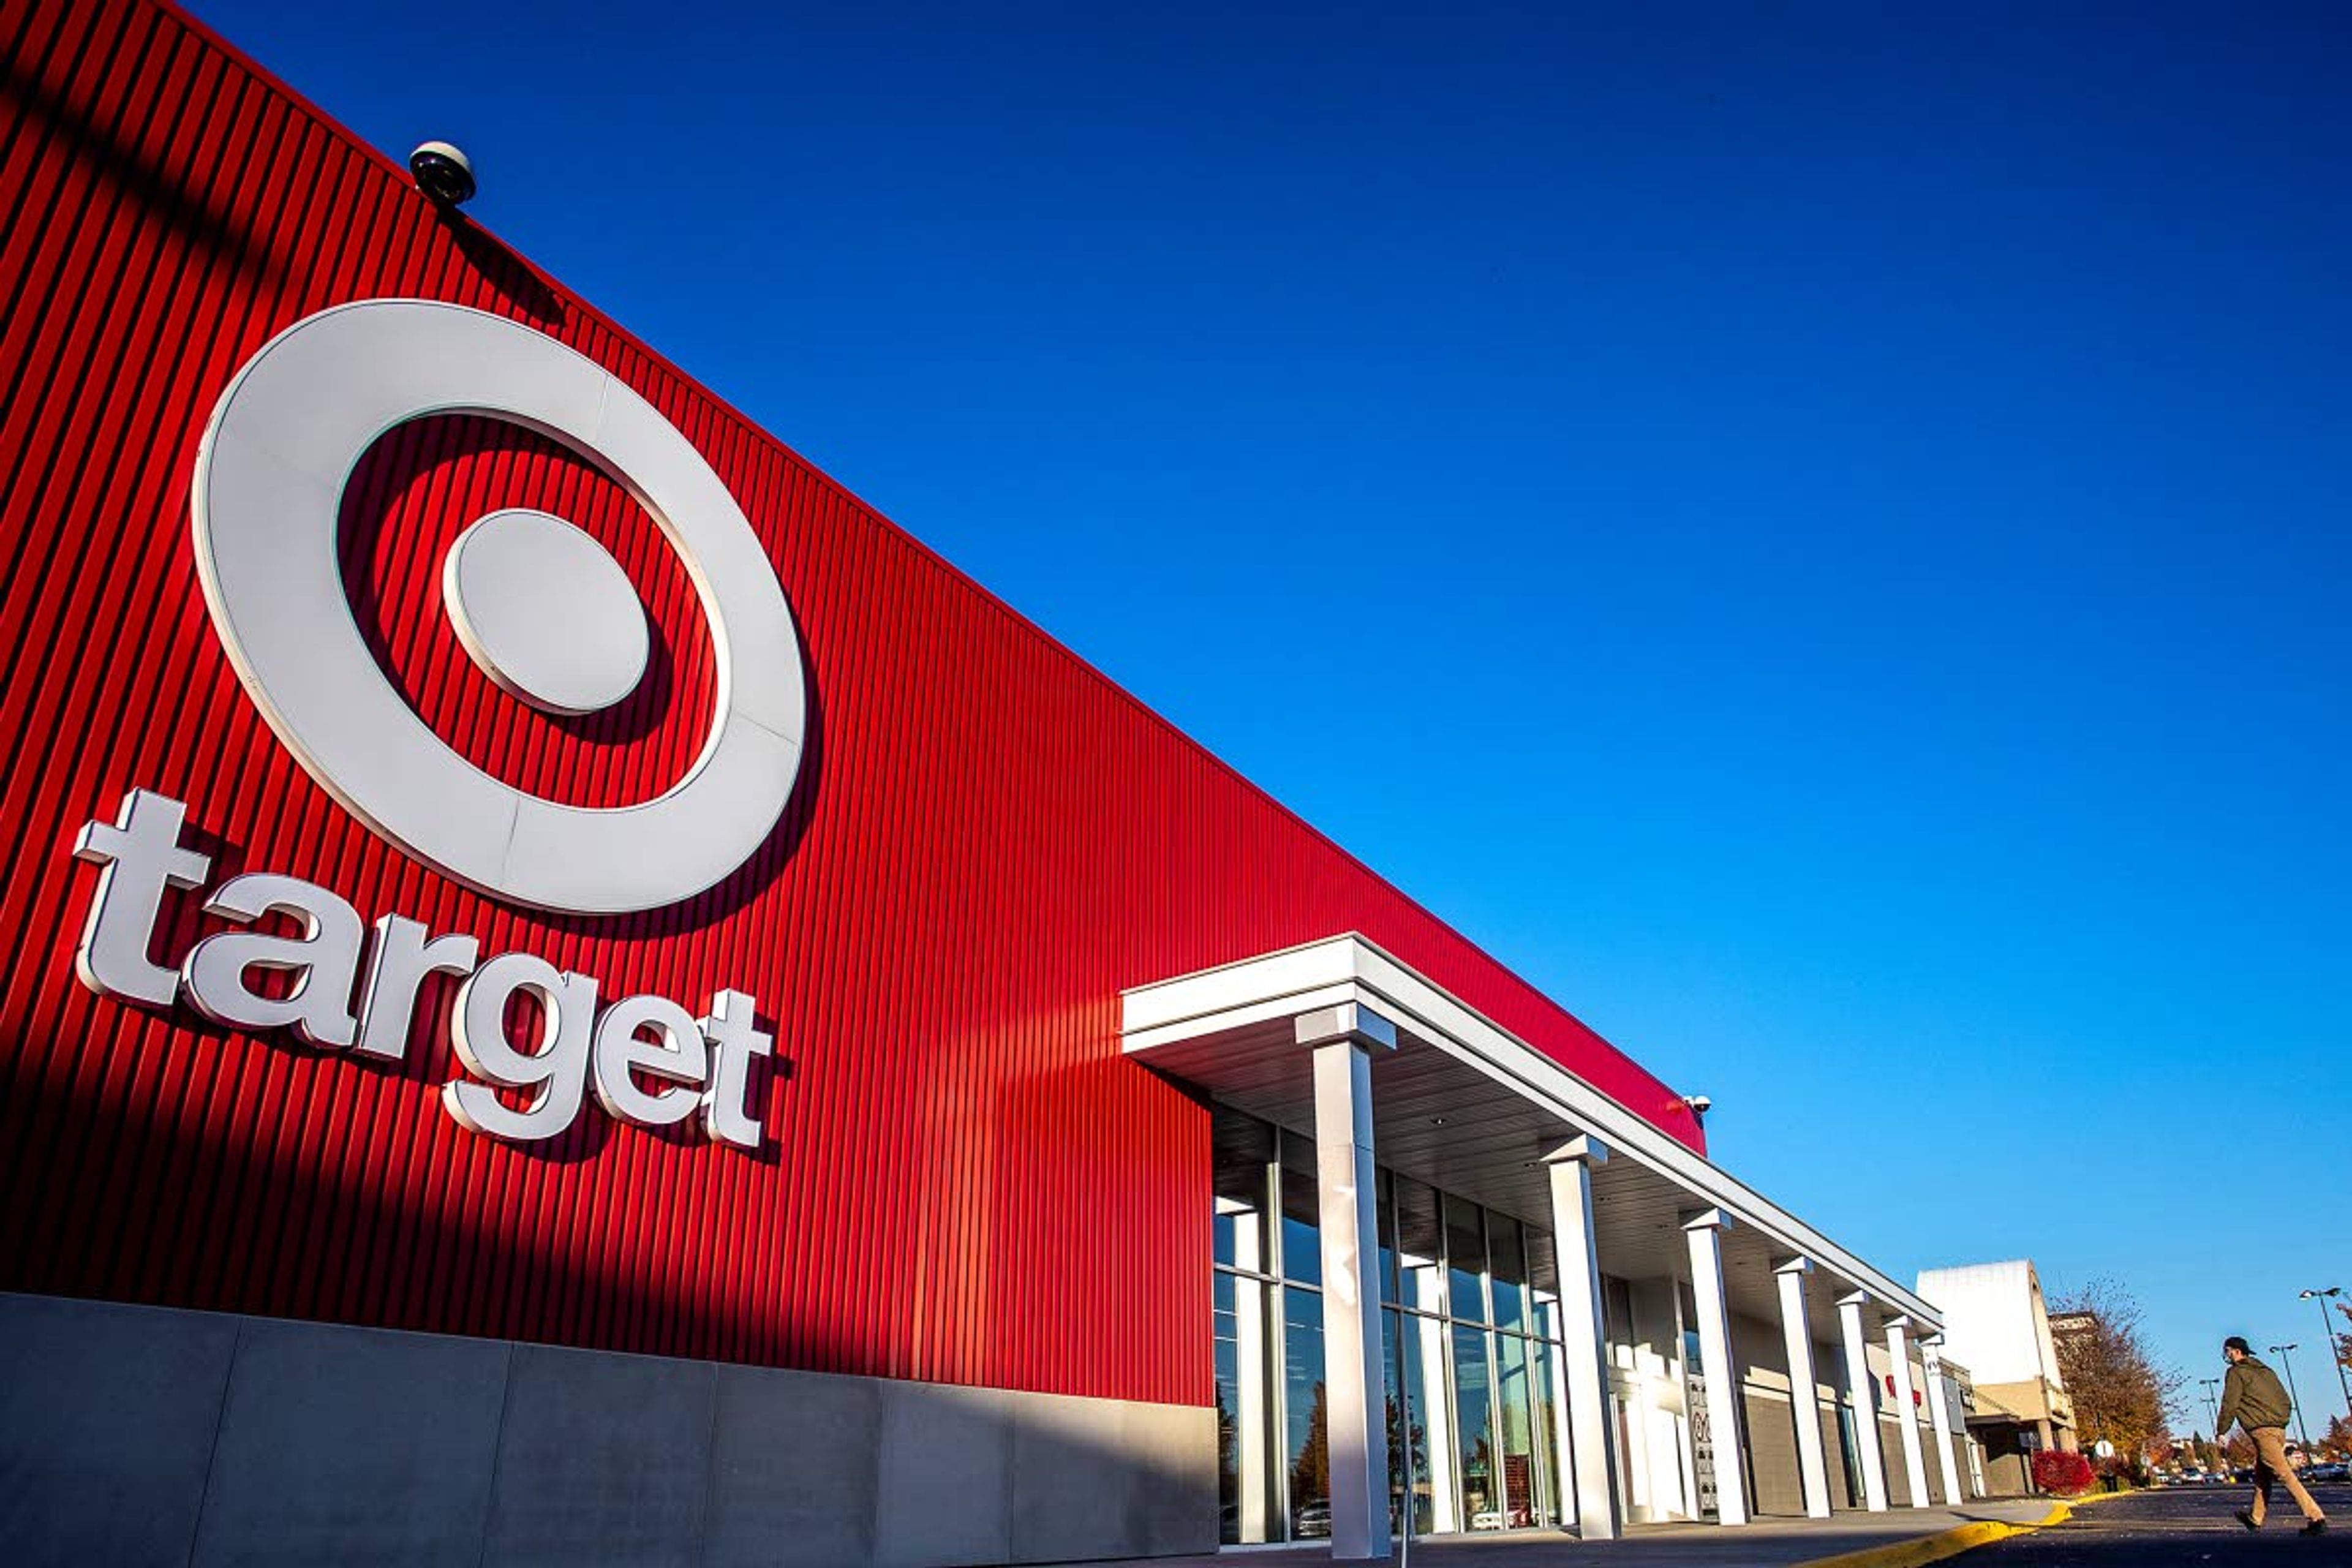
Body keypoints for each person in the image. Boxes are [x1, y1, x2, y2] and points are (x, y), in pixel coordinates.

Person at [2215, 1336, 2326, 1536]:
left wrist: (2222, 1431)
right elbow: (2284, 1399)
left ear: (2237, 1352)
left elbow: (2229, 1403)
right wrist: (2281, 1420)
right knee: (2262, 1475)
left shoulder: (2236, 1373)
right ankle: (2255, 1519)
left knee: (2284, 1473)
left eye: (2228, 1351)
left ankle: (2316, 1517)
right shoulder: (2266, 1371)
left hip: (2262, 1430)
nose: (2227, 1355)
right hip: (2279, 1428)